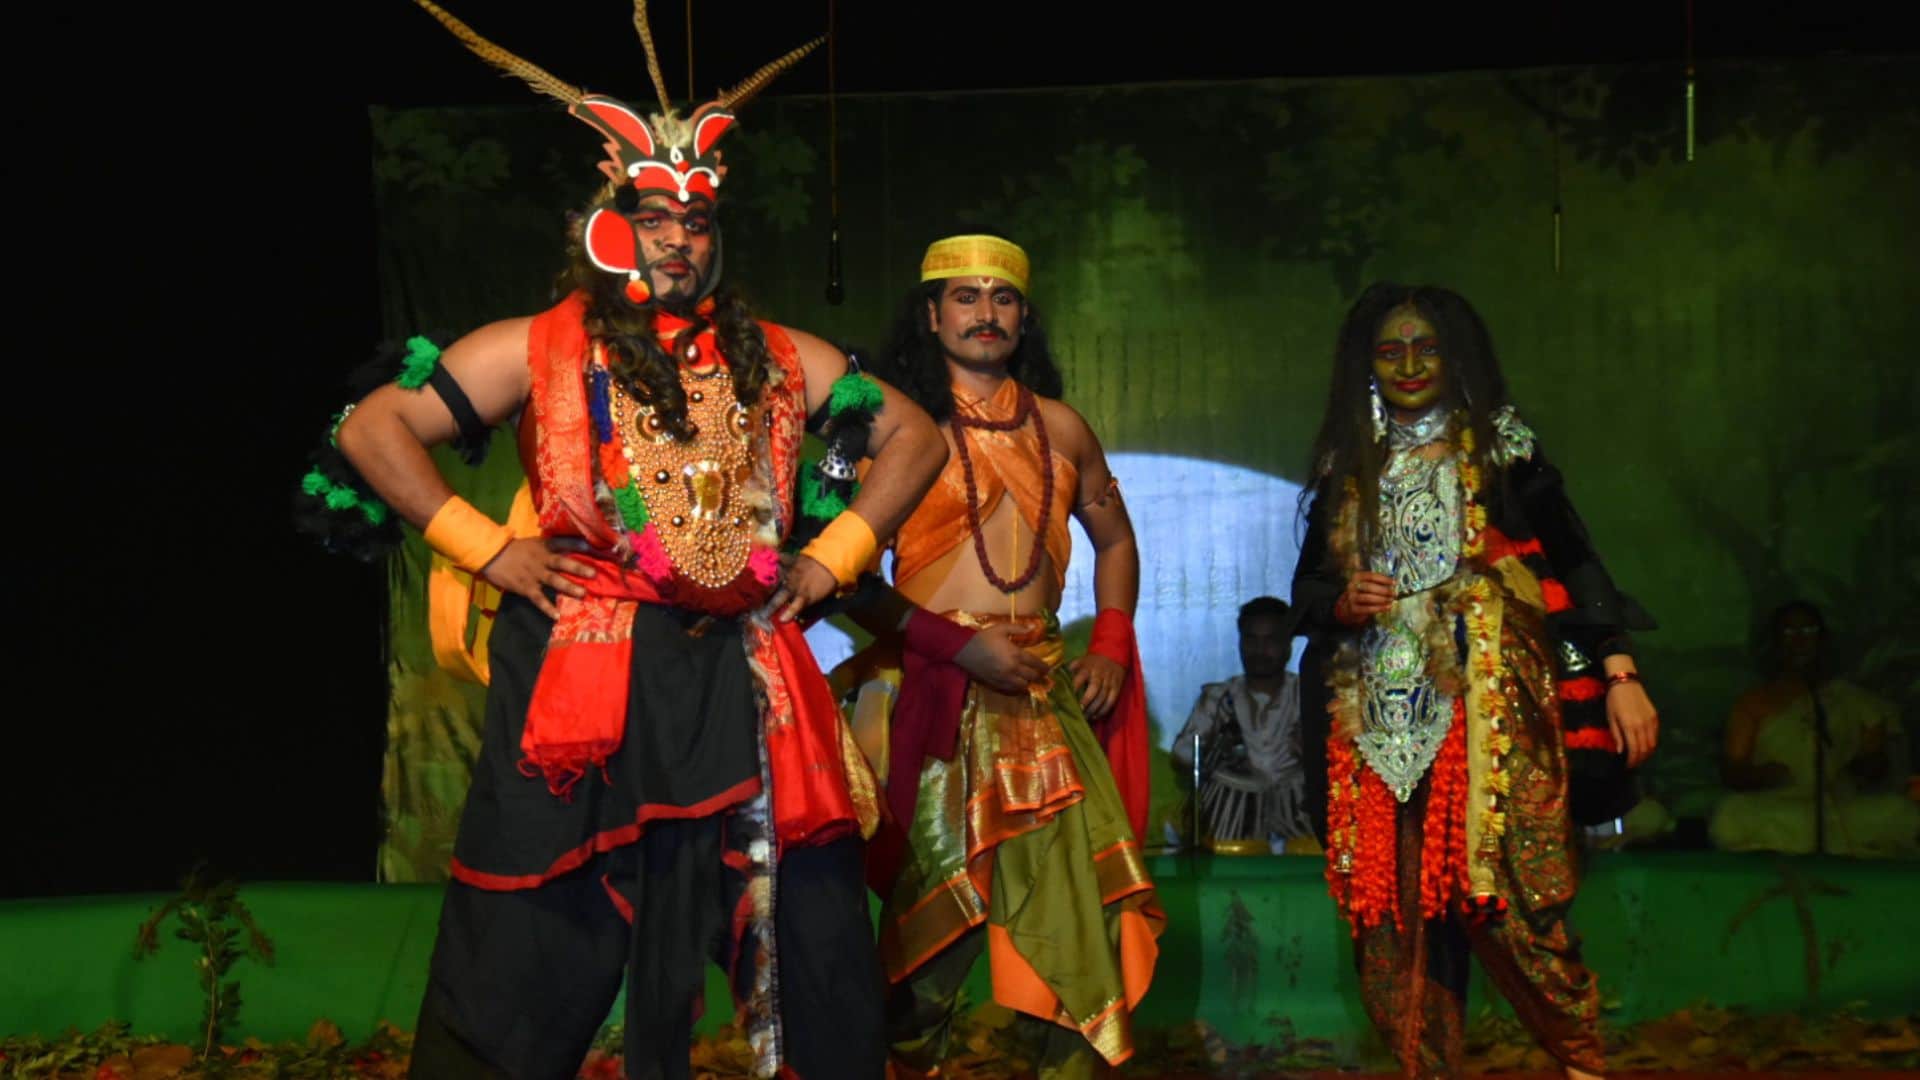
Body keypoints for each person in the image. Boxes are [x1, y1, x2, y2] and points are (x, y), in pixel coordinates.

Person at [329, 4, 948, 1077]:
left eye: (697, 224)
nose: (679, 239)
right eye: (656, 218)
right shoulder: (535, 345)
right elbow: (371, 427)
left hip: (741, 668)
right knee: (533, 923)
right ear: (612, 225)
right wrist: (485, 544)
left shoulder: (779, 352)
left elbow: (916, 437)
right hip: (589, 661)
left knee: (800, 915)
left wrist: (834, 554)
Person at [1291, 282, 1659, 1080]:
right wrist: (1340, 599)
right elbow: (1306, 592)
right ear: (1367, 365)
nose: (1410, 364)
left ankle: (1581, 1062)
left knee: (1513, 896)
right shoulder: (1347, 460)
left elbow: (1575, 558)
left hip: (1487, 706)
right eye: (1391, 351)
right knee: (1389, 911)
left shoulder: (1500, 447)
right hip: (1373, 717)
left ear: (1455, 359)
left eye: (1426, 348)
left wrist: (1619, 668)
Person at [835, 232, 1161, 1078]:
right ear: (931, 312)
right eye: (966, 297)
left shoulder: (1060, 427)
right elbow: (842, 576)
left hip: (1045, 699)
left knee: (1081, 929)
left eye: (1003, 297)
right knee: (924, 947)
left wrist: (1114, 644)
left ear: (1025, 317)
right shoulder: (892, 430)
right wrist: (956, 645)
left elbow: (1116, 542)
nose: (986, 313)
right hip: (936, 702)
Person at [1710, 600, 1917, 857]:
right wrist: (1762, 775)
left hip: (1841, 808)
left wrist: (1862, 766)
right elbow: (1733, 771)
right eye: (1789, 633)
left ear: (1823, 640)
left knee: (1899, 812)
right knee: (1729, 816)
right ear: (1775, 643)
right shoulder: (1754, 703)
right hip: (1781, 806)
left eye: (1808, 631)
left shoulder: (1852, 700)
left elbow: (1876, 765)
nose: (1799, 641)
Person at [1170, 596, 1316, 850]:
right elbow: (1183, 753)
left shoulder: (1308, 695)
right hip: (1230, 819)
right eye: (1251, 639)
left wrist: (1311, 752)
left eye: (1271, 640)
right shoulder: (1219, 698)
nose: (1260, 650)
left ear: (1289, 644)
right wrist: (1214, 750)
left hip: (1299, 821)